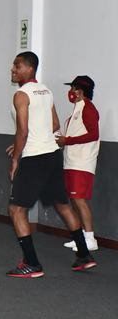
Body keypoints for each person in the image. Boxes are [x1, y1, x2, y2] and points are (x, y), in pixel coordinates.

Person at [5, 52, 97, 278]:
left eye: (17, 66)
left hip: (34, 158)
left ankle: (32, 264)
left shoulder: (21, 95)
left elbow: (23, 131)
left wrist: (16, 159)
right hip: (53, 156)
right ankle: (84, 256)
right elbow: (54, 124)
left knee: (16, 209)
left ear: (29, 68)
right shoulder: (46, 91)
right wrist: (33, 139)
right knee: (63, 205)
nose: (13, 69)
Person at [57, 76, 100, 252]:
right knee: (74, 200)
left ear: (81, 90)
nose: (71, 92)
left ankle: (90, 239)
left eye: (73, 88)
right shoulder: (77, 109)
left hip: (82, 163)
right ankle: (81, 238)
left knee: (79, 200)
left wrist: (67, 140)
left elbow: (93, 135)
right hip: (71, 162)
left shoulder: (88, 109)